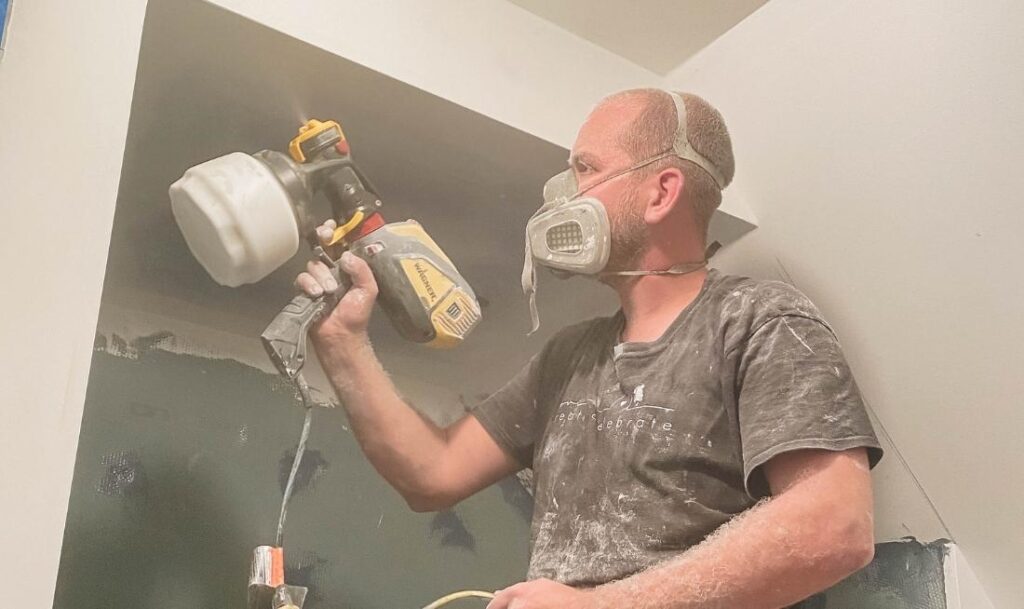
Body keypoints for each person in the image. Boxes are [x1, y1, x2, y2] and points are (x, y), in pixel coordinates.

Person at [295, 88, 883, 609]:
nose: (562, 195)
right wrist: (343, 344)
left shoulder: (757, 322)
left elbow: (833, 527)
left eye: (584, 168)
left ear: (661, 193)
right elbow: (433, 473)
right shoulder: (569, 357)